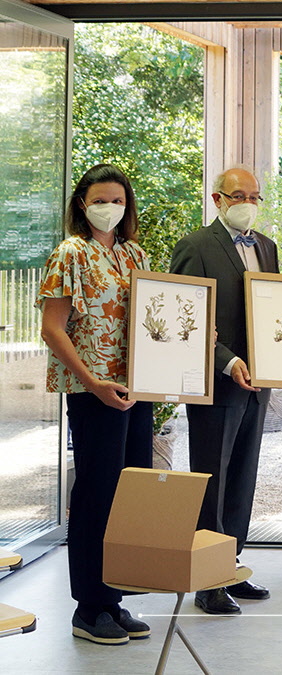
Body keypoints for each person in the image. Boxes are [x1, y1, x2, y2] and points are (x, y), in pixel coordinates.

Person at [39, 164, 153, 644]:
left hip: (136, 389)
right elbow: (52, 328)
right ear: (83, 203)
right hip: (94, 392)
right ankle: (88, 606)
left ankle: (113, 599)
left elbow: (155, 317)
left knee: (130, 495)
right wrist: (95, 381)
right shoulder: (70, 254)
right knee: (97, 494)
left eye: (119, 200)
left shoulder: (134, 254)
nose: (111, 208)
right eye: (101, 199)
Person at [170, 167, 278, 615]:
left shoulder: (267, 248)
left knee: (242, 480)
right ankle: (206, 582)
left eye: (254, 195)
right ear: (218, 199)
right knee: (211, 480)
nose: (247, 202)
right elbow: (185, 319)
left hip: (258, 384)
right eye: (238, 195)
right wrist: (228, 361)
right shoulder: (195, 246)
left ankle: (230, 569)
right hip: (218, 383)